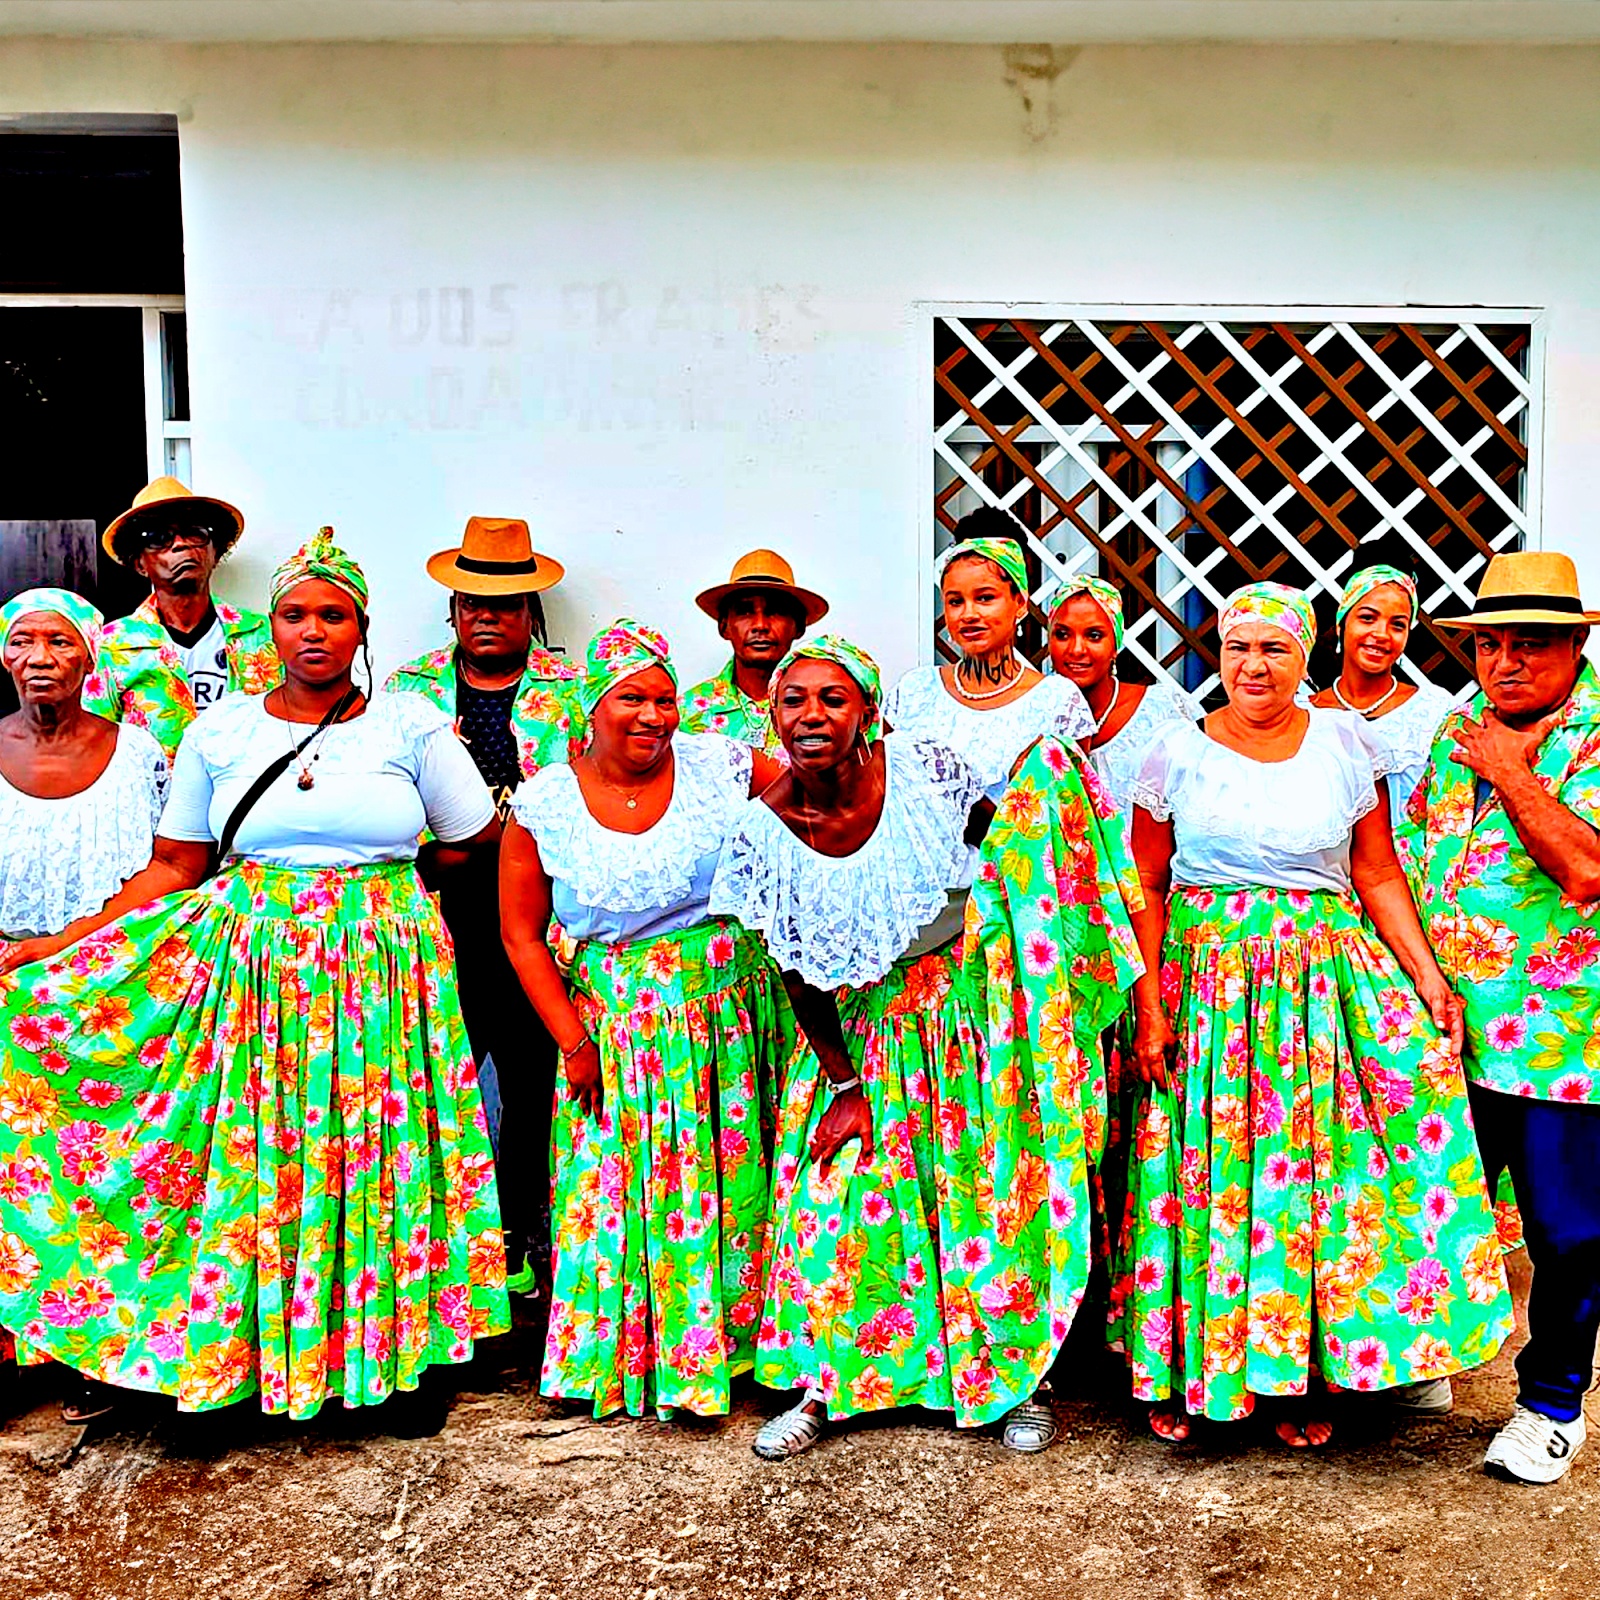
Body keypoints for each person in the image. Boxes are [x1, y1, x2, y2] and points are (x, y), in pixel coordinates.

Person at [0, 529, 508, 1421]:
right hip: (258, 973)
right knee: (263, 1162)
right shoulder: (222, 729)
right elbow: (173, 866)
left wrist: (393, 896)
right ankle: (259, 1358)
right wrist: (70, 943)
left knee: (379, 1156)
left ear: (361, 630)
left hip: (387, 970)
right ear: (268, 629)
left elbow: (474, 839)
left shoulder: (409, 724)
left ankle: (385, 1363)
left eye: (333, 616)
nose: (313, 631)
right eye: (295, 614)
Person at [712, 637, 1141, 1458]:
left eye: (833, 700)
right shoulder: (758, 836)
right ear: (773, 715)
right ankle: (826, 1388)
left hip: (964, 1017)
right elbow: (798, 972)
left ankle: (1017, 1381)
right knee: (840, 1211)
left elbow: (1016, 847)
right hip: (860, 1035)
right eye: (794, 700)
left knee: (988, 1199)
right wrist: (842, 1086)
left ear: (868, 712)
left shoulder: (926, 772)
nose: (812, 716)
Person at [1116, 581, 1512, 1446]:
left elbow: (1375, 873)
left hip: (1318, 990)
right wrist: (1149, 1007)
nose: (1254, 665)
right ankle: (1193, 1371)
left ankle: (1295, 1377)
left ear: (1306, 656)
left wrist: (1429, 980)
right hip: (1208, 991)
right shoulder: (1174, 752)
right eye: (1237, 647)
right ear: (1217, 655)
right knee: (1206, 1178)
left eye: (1275, 648)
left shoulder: (1344, 742)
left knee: (1311, 1180)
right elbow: (1143, 882)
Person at [500, 619, 788, 1420]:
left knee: (736, 1185)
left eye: (665, 698)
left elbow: (811, 803)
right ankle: (629, 1356)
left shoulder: (721, 764)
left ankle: (736, 1350)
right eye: (633, 698)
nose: (654, 715)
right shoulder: (546, 803)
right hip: (617, 1032)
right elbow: (521, 935)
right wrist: (574, 1039)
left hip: (730, 1012)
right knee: (617, 1190)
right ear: (592, 707)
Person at [1410, 550, 1600, 1485]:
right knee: (1425, 1207)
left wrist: (1514, 772)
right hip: (1447, 1033)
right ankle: (1421, 1364)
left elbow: (1588, 870)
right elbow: (1409, 861)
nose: (1505, 664)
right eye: (1490, 645)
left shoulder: (1595, 736)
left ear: (1573, 647)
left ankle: (1550, 1405)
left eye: (1530, 646)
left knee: (1568, 1232)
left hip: (1565, 1042)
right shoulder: (1456, 731)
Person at [385, 516, 581, 1294]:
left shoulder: (573, 690)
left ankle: (529, 1227)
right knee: (445, 1075)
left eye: (507, 602)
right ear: (454, 611)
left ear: (531, 610)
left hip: (540, 914)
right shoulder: (408, 692)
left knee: (538, 1075)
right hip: (441, 910)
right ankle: (457, 1244)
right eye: (474, 603)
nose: (489, 616)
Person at [884, 515, 1093, 808]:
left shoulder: (1057, 702)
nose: (968, 614)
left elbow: (1071, 816)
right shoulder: (914, 693)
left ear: (1019, 603)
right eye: (955, 601)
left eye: (984, 598)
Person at [84, 476, 281, 758]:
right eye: (158, 538)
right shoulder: (111, 646)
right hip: (156, 800)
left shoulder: (261, 634)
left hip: (246, 796)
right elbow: (94, 744)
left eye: (195, 533)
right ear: (140, 563)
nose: (180, 545)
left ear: (215, 551)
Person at [1308, 560, 1457, 857]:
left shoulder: (1434, 712)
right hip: (1323, 881)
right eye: (1367, 618)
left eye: (1397, 625)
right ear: (1342, 623)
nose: (1381, 633)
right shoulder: (1303, 713)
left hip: (1409, 879)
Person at [1044, 572, 1198, 816]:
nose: (1076, 649)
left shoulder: (1159, 713)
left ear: (1115, 644)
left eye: (1094, 636)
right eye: (1062, 635)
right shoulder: (1032, 711)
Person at [681, 550, 829, 756]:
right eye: (745, 611)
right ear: (724, 627)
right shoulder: (687, 713)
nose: (760, 625)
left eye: (776, 611)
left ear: (799, 626)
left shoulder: (826, 708)